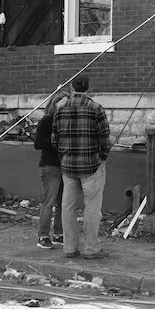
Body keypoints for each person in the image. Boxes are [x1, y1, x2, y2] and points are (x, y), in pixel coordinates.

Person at [52, 74, 111, 259]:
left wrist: (63, 155)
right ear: (88, 88)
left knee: (67, 206)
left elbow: (55, 139)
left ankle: (69, 248)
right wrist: (102, 156)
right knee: (92, 207)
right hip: (91, 165)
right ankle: (91, 248)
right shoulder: (96, 109)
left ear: (72, 87)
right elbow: (105, 138)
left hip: (68, 166)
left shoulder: (60, 110)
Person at [31, 93, 67, 249]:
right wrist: (55, 140)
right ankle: (43, 236)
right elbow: (38, 143)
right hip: (50, 166)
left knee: (63, 202)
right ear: (55, 104)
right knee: (49, 201)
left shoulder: (67, 122)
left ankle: (59, 233)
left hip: (65, 166)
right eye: (63, 103)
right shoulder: (47, 120)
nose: (65, 107)